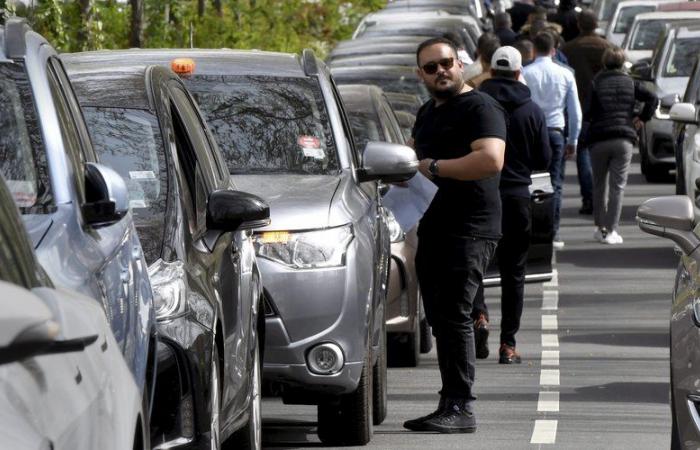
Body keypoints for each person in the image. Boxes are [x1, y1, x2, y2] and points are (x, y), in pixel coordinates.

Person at [403, 37, 506, 434]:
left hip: (470, 227)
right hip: (433, 225)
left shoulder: (480, 106)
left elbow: (491, 158)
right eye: (431, 67)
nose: (441, 70)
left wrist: (437, 168)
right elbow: (413, 159)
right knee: (442, 318)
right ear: (421, 75)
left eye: (446, 62)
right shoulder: (428, 111)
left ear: (460, 64)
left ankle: (462, 406)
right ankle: (449, 402)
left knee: (457, 314)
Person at [472, 46, 552, 363]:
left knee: (474, 263)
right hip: (517, 196)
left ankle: (479, 314)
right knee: (514, 272)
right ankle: (509, 345)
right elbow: (544, 158)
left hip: (480, 195)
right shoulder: (531, 110)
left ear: (491, 71)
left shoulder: (476, 107)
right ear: (520, 73)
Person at [583, 47, 657, 244]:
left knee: (599, 185)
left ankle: (600, 228)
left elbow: (588, 112)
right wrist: (641, 118)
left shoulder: (596, 83)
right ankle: (612, 229)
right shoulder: (631, 83)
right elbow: (652, 98)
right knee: (618, 186)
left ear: (604, 62)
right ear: (623, 62)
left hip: (599, 139)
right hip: (623, 138)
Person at [522, 32, 581, 249]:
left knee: (530, 181)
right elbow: (575, 112)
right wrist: (573, 139)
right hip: (556, 132)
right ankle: (552, 233)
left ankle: (530, 230)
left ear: (534, 50)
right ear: (554, 50)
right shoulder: (565, 74)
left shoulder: (525, 72)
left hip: (531, 133)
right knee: (554, 184)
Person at [561, 9, 613, 216]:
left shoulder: (568, 49)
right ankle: (602, 200)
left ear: (578, 25)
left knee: (583, 155)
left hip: (579, 110)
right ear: (596, 24)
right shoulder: (608, 47)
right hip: (605, 111)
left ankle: (589, 199)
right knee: (605, 159)